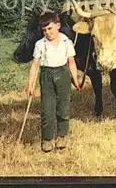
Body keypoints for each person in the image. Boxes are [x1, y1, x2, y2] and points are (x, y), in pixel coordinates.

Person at [25, 11, 81, 152]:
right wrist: (30, 84)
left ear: (58, 25)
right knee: (47, 109)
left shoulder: (66, 42)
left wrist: (75, 79)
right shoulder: (40, 44)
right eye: (44, 30)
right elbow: (35, 65)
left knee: (63, 107)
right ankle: (47, 139)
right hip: (46, 75)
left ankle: (62, 136)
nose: (47, 33)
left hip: (63, 74)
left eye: (50, 28)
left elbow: (72, 63)